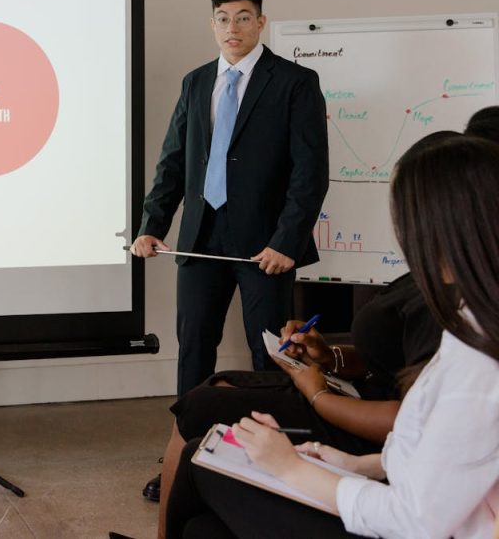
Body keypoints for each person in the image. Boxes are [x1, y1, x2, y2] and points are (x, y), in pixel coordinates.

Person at [164, 132, 499, 539]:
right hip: (394, 490)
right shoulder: (471, 322)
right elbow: (431, 452)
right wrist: (346, 463)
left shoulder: (478, 367)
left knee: (203, 465)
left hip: (401, 522)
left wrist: (292, 467)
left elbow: (415, 519)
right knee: (204, 524)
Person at [131, 0, 329, 396]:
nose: (232, 28)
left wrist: (287, 241)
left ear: (260, 22)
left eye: (242, 18)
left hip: (267, 245)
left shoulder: (295, 82)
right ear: (213, 25)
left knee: (270, 352)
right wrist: (153, 225)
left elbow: (310, 172)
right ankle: (190, 441)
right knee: (195, 347)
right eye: (223, 19)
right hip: (201, 237)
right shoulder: (197, 82)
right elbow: (173, 162)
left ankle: (271, 443)